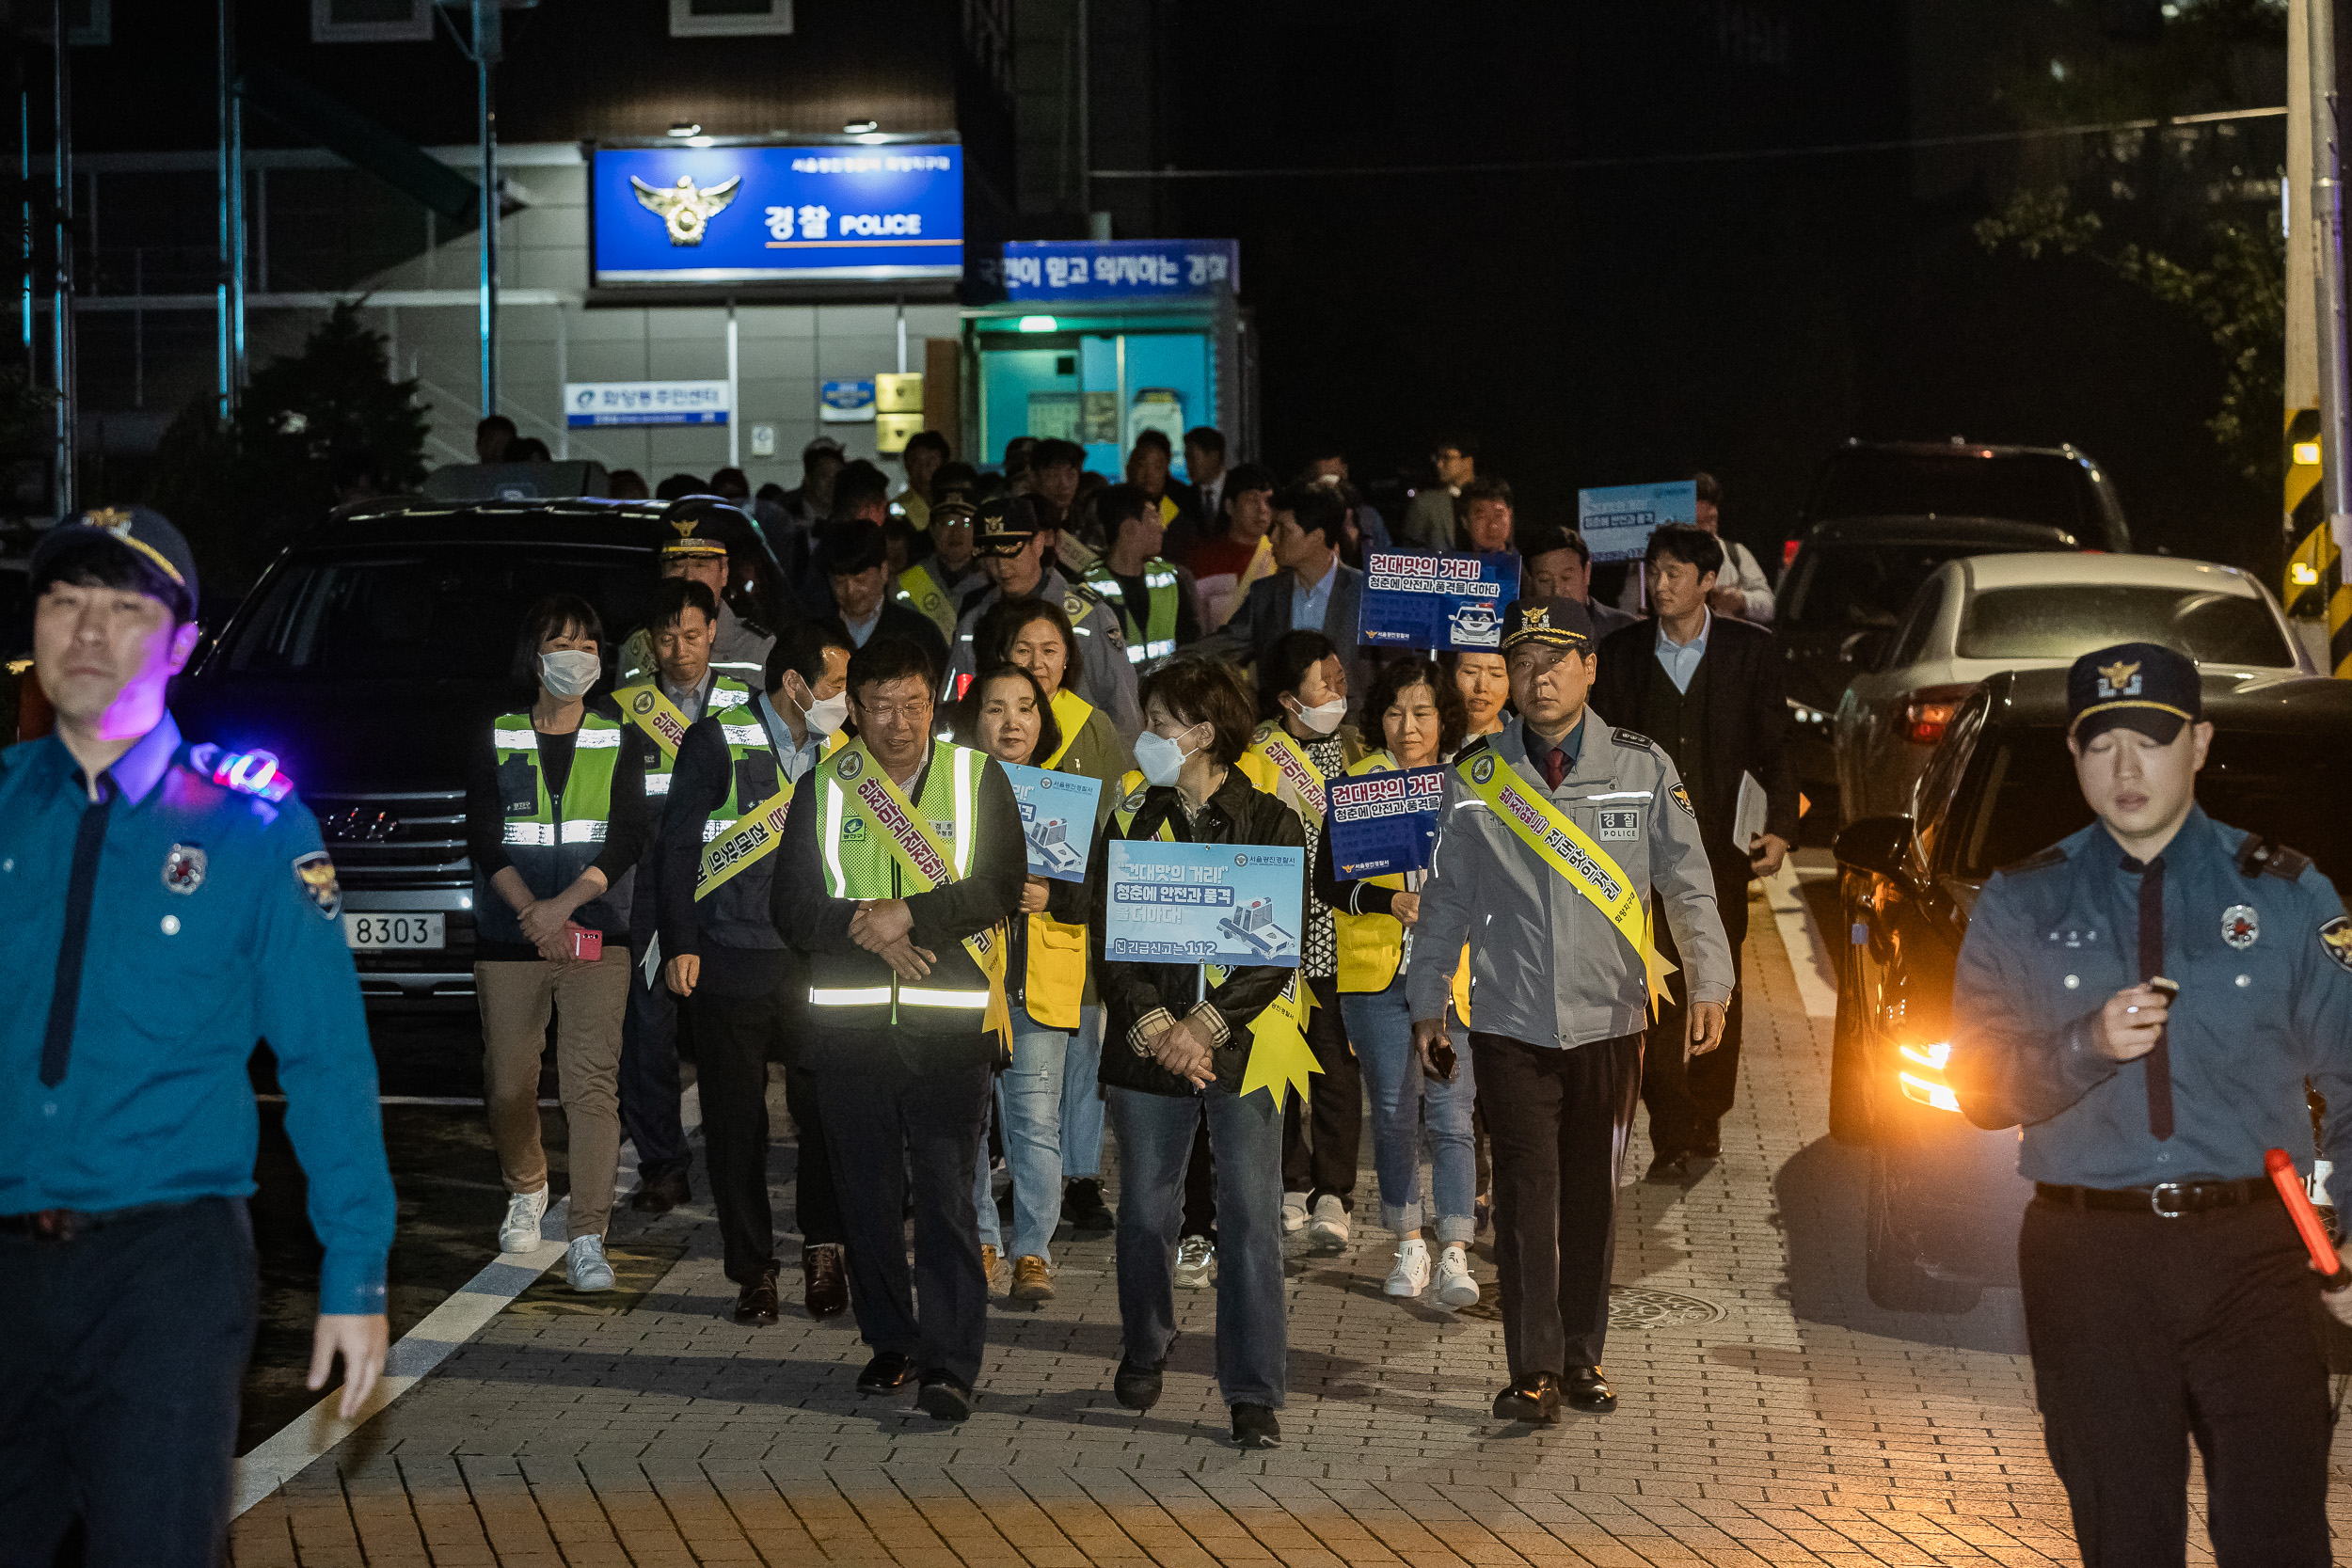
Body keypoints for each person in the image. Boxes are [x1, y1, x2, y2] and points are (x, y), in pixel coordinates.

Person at [0, 506, 394, 1560]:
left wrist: (356, 1267)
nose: (86, 631)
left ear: (181, 643)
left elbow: (324, 1055)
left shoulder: (249, 824)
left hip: (163, 1267)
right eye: (63, 600)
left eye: (123, 608)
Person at [1944, 641, 2352, 1567]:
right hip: (2090, 1264)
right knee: (2124, 1538)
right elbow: (1972, 1080)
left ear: (2199, 744)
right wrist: (2079, 1046)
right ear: (2074, 756)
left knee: (2278, 1537)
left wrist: (2350, 1224)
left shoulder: (2285, 893)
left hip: (2254, 1256)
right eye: (2100, 744)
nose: (2125, 769)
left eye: (2152, 739)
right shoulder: (2021, 900)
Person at [1409, 597, 1732, 1423]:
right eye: (1521, 663)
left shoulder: (1641, 765)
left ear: (1591, 668)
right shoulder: (1478, 775)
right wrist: (1428, 1001)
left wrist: (1712, 980)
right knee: (1524, 1195)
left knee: (1593, 1194)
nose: (1537, 676)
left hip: (1612, 1020)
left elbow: (1688, 881)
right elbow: (1445, 899)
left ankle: (1584, 1354)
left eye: (1556, 659)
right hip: (1512, 1021)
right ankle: (1534, 1369)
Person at [777, 636, 1025, 1422]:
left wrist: (910, 911)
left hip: (949, 1027)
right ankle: (893, 1341)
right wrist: (866, 924)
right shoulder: (824, 787)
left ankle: (951, 1363)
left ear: (933, 704)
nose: (898, 723)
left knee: (949, 1198)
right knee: (869, 1201)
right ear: (854, 709)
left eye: (913, 705)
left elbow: (999, 885)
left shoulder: (975, 777)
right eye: (880, 706)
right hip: (849, 1030)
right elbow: (789, 905)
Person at [1092, 657, 1307, 1450]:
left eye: (1159, 724)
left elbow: (1275, 950)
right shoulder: (1130, 819)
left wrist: (1206, 1025)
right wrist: (1155, 1024)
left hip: (1246, 1044)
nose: (1146, 737)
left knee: (1251, 1216)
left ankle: (1252, 1388)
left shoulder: (1273, 821)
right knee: (1146, 1210)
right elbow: (1108, 940)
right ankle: (1146, 1344)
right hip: (1151, 1045)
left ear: (1205, 734)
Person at [655, 622, 854, 1325]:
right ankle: (754, 1269)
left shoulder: (843, 751)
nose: (845, 699)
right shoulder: (717, 739)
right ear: (795, 684)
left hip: (816, 959)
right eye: (836, 686)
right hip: (729, 954)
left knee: (825, 1109)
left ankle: (824, 1248)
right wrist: (680, 940)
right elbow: (676, 846)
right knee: (736, 1124)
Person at [1592, 522, 1798, 1179]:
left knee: (1715, 980)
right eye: (1654, 571)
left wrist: (1783, 827)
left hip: (1719, 854)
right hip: (1636, 852)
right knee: (1650, 990)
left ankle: (1706, 1112)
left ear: (1709, 581)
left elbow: (1774, 747)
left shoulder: (1749, 652)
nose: (1660, 584)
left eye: (1675, 573)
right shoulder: (1621, 652)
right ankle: (1670, 1124)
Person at [468, 595, 651, 1291]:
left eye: (588, 643)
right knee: (509, 1082)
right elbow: (484, 835)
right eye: (563, 642)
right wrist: (534, 914)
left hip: (595, 935)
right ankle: (528, 1183)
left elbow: (629, 833)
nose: (578, 654)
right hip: (512, 934)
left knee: (590, 1087)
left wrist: (566, 908)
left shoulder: (619, 735)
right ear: (536, 655)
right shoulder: (497, 732)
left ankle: (587, 1235)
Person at [1314, 657, 1481, 1307]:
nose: (1407, 727)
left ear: (1445, 719)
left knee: (1451, 1111)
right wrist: (1390, 901)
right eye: (1393, 712)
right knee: (1391, 1109)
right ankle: (1409, 1241)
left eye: (1421, 712)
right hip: (1376, 977)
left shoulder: (1470, 786)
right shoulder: (1357, 785)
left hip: (1452, 978)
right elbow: (1328, 882)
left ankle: (1457, 1250)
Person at [973, 595, 1133, 1230]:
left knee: (1081, 1058)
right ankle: (1016, 1186)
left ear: (1070, 658)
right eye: (1023, 650)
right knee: (1015, 1088)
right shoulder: (975, 750)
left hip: (1069, 932)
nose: (1037, 663)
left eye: (1050, 650)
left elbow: (1107, 831)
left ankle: (1081, 1174)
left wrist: (1065, 890)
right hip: (995, 956)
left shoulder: (1091, 725)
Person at [953, 664, 1100, 1300]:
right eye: (994, 708)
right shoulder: (950, 792)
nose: (1011, 721)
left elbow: (1093, 892)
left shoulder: (1068, 794)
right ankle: (983, 1239)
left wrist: (1055, 894)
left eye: (1024, 708)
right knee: (967, 1121)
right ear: (974, 719)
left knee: (1036, 1122)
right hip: (965, 984)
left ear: (1043, 721)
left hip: (1039, 985)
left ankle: (1033, 1252)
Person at [613, 578, 759, 1215]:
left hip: (732, 884)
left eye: (693, 635)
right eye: (667, 637)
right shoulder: (622, 709)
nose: (681, 649)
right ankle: (663, 1164)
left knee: (734, 1028)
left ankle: (741, 1159)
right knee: (647, 1028)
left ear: (713, 635)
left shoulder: (748, 704)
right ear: (651, 641)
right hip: (652, 886)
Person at [1244, 629, 1369, 1248]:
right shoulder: (1256, 755)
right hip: (1276, 946)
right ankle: (1289, 1181)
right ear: (1291, 700)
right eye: (1328, 682)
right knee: (1280, 1068)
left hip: (1340, 944)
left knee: (1337, 1074)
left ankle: (1333, 1192)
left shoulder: (1358, 751)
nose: (1340, 690)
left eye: (1342, 678)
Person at [944, 495, 1142, 732]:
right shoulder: (974, 623)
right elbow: (951, 708)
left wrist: (1116, 765)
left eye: (1011, 550)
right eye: (991, 554)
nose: (1001, 565)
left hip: (1075, 760)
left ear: (1038, 544)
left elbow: (1124, 707)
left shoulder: (1085, 617)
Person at [1187, 483, 1373, 705]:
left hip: (1351, 734)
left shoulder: (1368, 594)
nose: (1272, 537)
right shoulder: (1265, 595)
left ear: (1315, 537)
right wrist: (1152, 667)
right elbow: (1219, 647)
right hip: (1279, 735)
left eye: (1283, 529)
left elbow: (1393, 673)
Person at [616, 500, 777, 690]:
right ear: (662, 572)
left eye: (701, 565)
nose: (688, 577)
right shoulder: (638, 646)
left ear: (724, 571)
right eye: (676, 565)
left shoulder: (757, 647)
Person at [1611, 472, 1776, 624]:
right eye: (1699, 523)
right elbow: (1628, 610)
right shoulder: (1654, 560)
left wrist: (1741, 601)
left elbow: (1770, 606)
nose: (1707, 529)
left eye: (1711, 520)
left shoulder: (1735, 554)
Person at [1083, 481, 1203, 668]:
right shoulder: (1086, 589)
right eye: (1154, 518)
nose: (1163, 527)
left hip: (1164, 693)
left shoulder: (1172, 579)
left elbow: (1191, 646)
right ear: (1130, 528)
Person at [818, 519, 950, 683]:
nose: (850, 591)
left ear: (883, 572)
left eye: (860, 580)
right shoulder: (817, 634)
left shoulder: (917, 633)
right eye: (839, 582)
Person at [1183, 461, 1279, 626]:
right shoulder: (1203, 559)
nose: (1262, 509)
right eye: (1252, 499)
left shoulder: (1281, 555)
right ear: (1229, 506)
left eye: (1268, 501)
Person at [895, 485, 984, 642]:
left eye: (965, 522)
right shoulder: (905, 583)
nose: (955, 532)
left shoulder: (992, 582)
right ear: (932, 530)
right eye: (947, 523)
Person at [1522, 524, 1636, 641]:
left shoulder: (1624, 628)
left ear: (1586, 573)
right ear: (1530, 582)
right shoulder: (1521, 634)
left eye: (1566, 577)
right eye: (1544, 580)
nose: (1556, 590)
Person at [1402, 434, 1477, 551]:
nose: (1439, 464)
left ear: (1467, 462)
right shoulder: (1425, 503)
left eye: (1447, 458)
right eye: (1438, 458)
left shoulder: (1492, 499)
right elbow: (1411, 551)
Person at [1174, 425, 1229, 561]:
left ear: (1213, 456)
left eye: (1192, 458)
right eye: (1186, 459)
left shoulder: (1239, 490)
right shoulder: (1183, 498)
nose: (1188, 465)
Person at [893, 430, 951, 532]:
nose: (923, 469)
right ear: (907, 466)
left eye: (931, 460)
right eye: (916, 461)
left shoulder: (954, 502)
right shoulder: (897, 508)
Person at [1445, 648, 1510, 740]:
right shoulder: (1431, 741)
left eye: (1496, 674)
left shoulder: (1525, 745)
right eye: (1470, 672)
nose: (1482, 687)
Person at [1454, 474, 1519, 562]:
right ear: (1465, 522)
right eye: (1482, 516)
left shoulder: (1527, 564)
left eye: (1498, 515)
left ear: (1509, 514)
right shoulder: (1450, 567)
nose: (1492, 525)